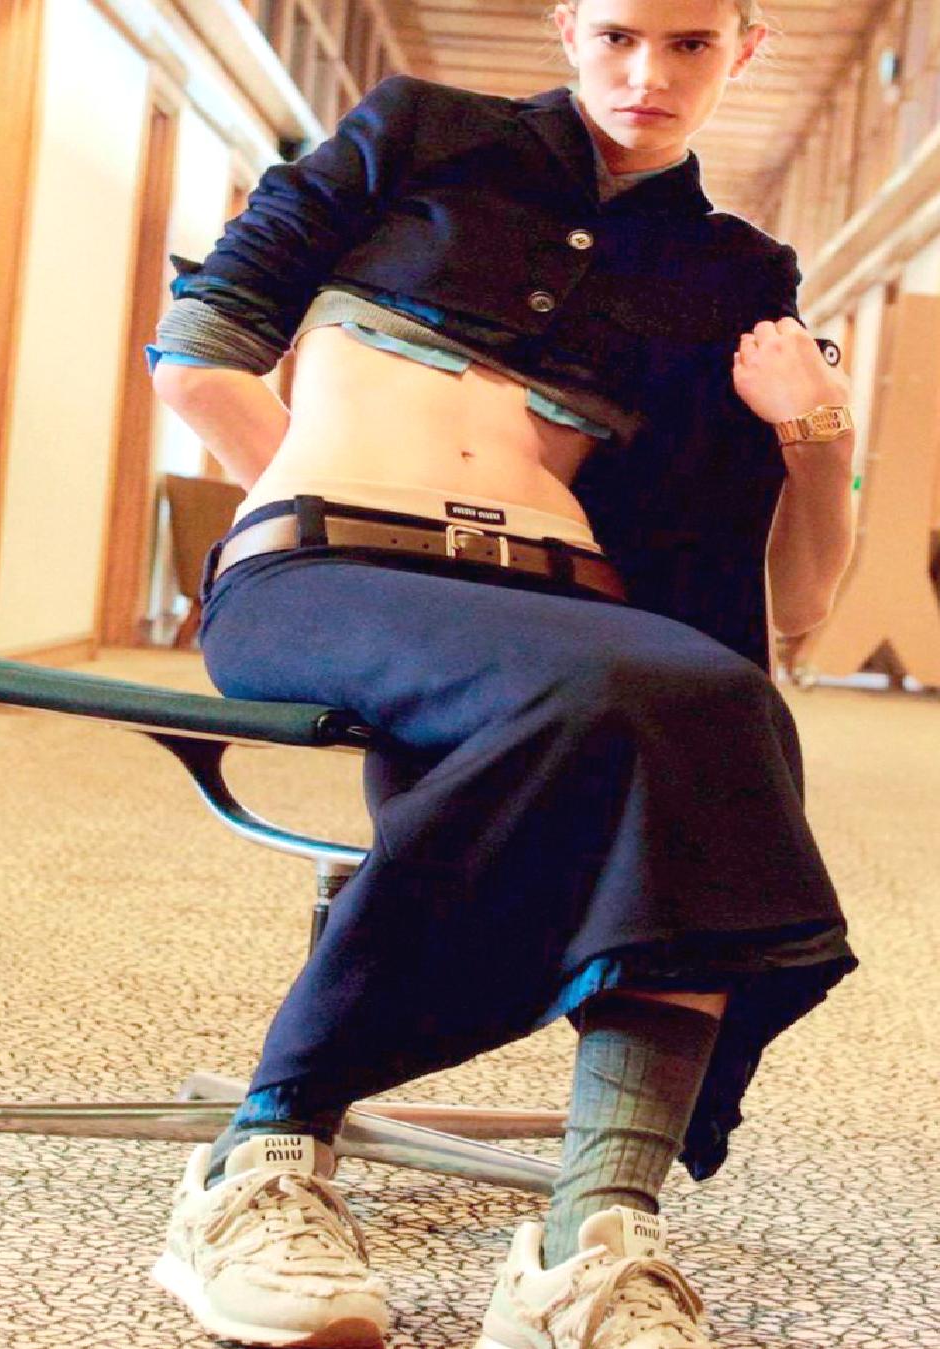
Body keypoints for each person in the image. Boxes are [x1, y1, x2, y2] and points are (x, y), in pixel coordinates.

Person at [146, 1, 861, 1345]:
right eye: (619, 35)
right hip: (325, 576)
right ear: (569, 27)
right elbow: (200, 355)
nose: (648, 74)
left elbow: (796, 599)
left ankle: (592, 1243)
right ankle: (263, 1159)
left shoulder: (737, 269)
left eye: (692, 45)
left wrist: (817, 428)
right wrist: (315, 511)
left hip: (559, 613)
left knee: (716, 703)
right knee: (651, 707)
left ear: (745, 49)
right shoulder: (416, 134)